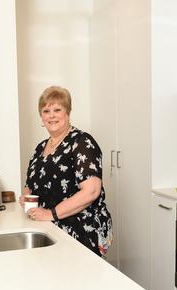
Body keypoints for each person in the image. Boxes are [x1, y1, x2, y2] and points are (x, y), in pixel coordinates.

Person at [20, 86, 113, 257]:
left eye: (57, 109)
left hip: (81, 230)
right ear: (41, 117)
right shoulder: (41, 147)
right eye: (46, 111)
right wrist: (26, 197)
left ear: (67, 113)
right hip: (48, 228)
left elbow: (91, 191)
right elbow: (29, 185)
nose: (51, 115)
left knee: (78, 280)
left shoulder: (82, 142)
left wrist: (50, 213)